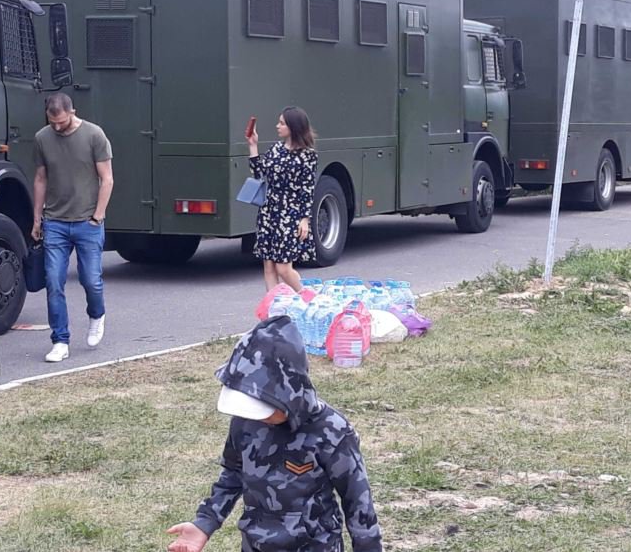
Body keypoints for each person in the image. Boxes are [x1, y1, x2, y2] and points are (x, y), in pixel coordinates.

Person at [165, 315, 383, 552]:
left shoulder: (332, 432)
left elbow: (358, 504)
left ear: (291, 394)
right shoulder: (245, 422)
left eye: (267, 410)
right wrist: (204, 523)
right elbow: (233, 474)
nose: (260, 418)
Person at [32, 93, 114, 363]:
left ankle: (96, 314)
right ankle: (60, 340)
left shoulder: (94, 135)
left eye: (62, 122)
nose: (57, 127)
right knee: (53, 281)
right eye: (52, 122)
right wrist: (37, 218)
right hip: (55, 221)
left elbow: (107, 179)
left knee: (91, 279)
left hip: (87, 221)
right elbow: (41, 179)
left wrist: (97, 216)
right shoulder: (42, 138)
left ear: (72, 112)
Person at [247, 107, 317, 292]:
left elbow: (307, 189)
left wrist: (304, 219)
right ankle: (275, 310)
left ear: (293, 127)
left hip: (290, 213)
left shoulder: (307, 155)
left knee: (283, 268)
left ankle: (309, 299)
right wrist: (253, 145)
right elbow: (259, 175)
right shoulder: (276, 149)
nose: (277, 126)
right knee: (269, 266)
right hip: (269, 211)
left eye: (282, 123)